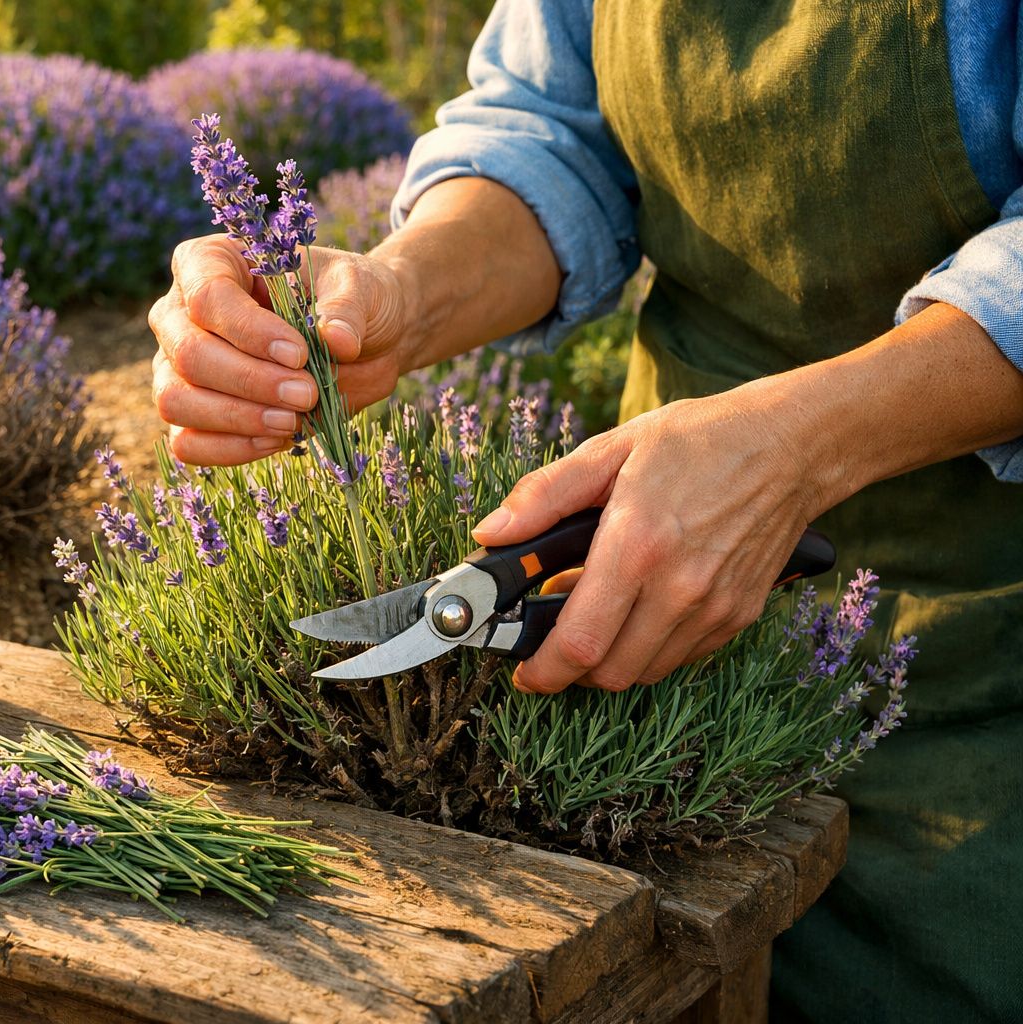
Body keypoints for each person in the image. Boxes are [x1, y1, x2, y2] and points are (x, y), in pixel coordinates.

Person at [147, 1, 1023, 1019]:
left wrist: (799, 446)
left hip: (990, 669)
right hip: (651, 575)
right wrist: (387, 299)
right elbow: (553, 133)